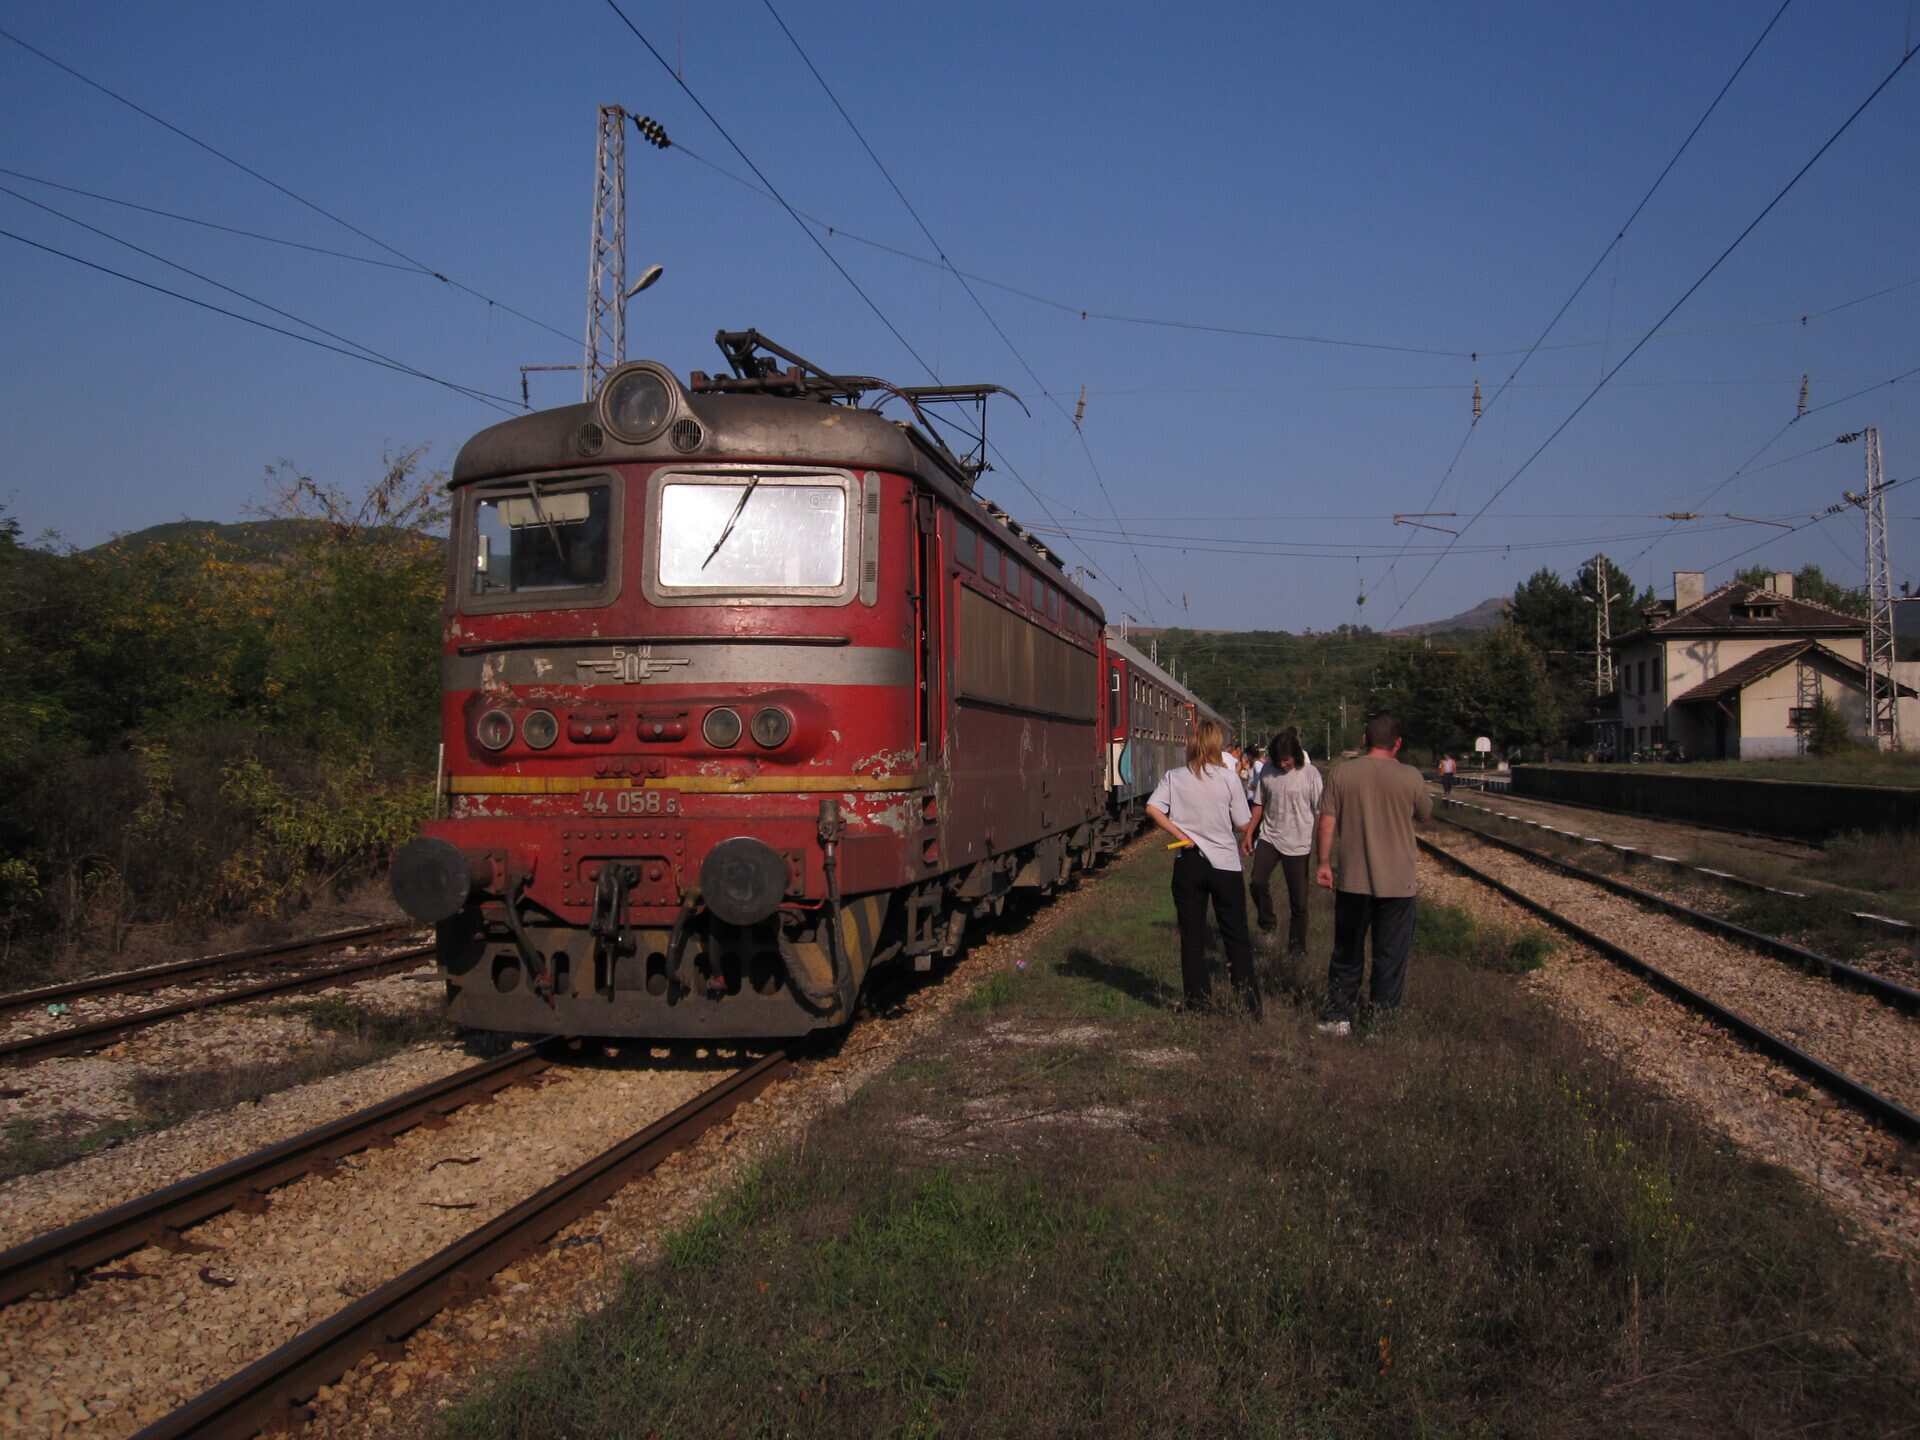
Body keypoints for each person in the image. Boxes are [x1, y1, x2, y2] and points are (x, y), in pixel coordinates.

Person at [1312, 712, 1433, 1037]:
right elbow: (1425, 815)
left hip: (1353, 879)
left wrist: (1323, 863)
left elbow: (1326, 821)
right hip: (1398, 883)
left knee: (1347, 952)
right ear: (1398, 743)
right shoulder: (1411, 776)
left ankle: (1338, 1017)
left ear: (1365, 739)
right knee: (1390, 956)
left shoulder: (1342, 773)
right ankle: (1381, 1024)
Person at [1146, 718, 1260, 1017]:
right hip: (1225, 865)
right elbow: (1241, 822)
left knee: (1192, 936)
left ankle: (1197, 1002)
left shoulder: (1174, 777)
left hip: (1189, 863)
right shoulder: (1228, 779)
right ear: (1217, 745)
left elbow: (1152, 808)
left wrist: (1180, 834)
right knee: (1235, 935)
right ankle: (1249, 1005)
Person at [1248, 728, 1322, 956]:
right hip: (1270, 837)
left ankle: (1296, 950)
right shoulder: (1267, 771)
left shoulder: (1310, 774)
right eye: (1279, 760)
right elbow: (1259, 804)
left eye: (1287, 760)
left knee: (1299, 902)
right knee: (1257, 882)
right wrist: (1249, 833)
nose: (1283, 764)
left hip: (1298, 843)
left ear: (1296, 755)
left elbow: (1320, 812)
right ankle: (1268, 924)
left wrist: (1322, 851)